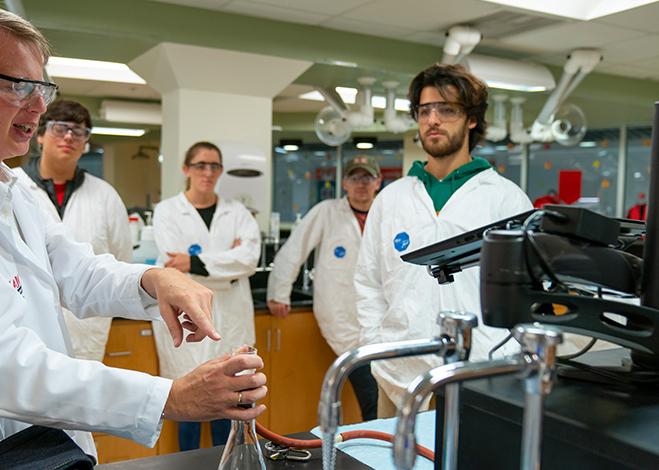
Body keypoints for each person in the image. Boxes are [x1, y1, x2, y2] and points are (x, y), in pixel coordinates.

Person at [0, 7, 266, 469]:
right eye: (17, 84)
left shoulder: (15, 188)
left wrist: (154, 280)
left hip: (47, 448)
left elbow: (77, 271)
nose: (38, 107)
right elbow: (0, 368)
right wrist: (168, 397)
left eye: (42, 87)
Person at [354, 63, 533, 417]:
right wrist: (377, 346)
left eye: (447, 109)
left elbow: (525, 294)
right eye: (425, 110)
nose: (433, 119)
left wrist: (505, 356)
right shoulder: (392, 199)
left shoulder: (506, 200)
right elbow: (368, 282)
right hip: (398, 375)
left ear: (470, 120)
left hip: (482, 375)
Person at [153, 141, 261, 450]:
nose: (208, 172)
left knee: (231, 407)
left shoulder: (237, 211)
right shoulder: (168, 211)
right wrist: (228, 262)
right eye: (200, 165)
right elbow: (174, 264)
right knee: (190, 406)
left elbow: (250, 258)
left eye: (214, 166)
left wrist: (197, 262)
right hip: (189, 317)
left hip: (232, 317)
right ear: (186, 169)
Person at [14, 99, 132, 361]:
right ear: (40, 135)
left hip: (86, 327)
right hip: (26, 324)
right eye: (60, 128)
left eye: (79, 132)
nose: (69, 137)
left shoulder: (105, 195)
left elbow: (121, 260)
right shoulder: (11, 187)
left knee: (86, 398)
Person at [266, 156, 382, 421]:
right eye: (355, 178)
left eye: (367, 178)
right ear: (344, 183)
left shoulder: (386, 213)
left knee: (383, 391)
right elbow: (293, 250)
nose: (361, 184)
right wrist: (278, 293)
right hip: (341, 313)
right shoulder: (327, 211)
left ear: (378, 182)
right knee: (371, 391)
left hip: (380, 317)